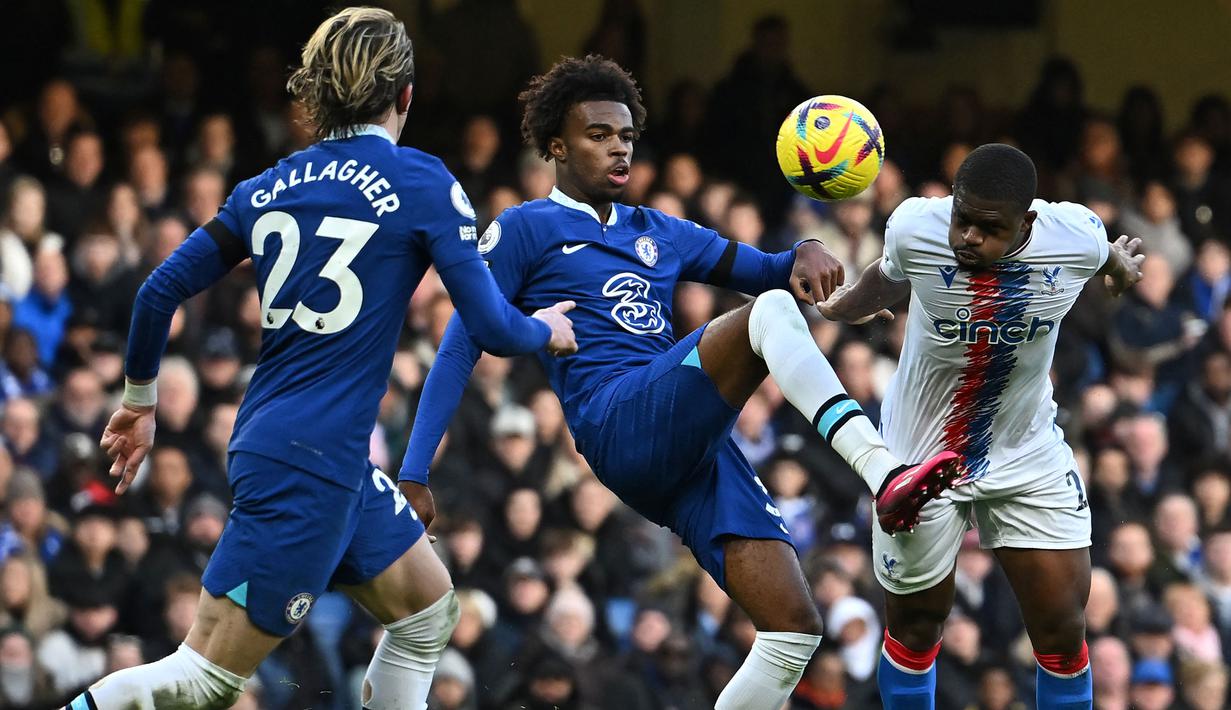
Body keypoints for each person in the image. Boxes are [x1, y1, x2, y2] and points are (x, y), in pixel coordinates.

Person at [401, 55, 959, 709]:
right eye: (597, 135)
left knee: (792, 630)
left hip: (687, 441)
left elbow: (771, 269)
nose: (618, 148)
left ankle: (879, 478)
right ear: (556, 145)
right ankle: (881, 471)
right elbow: (460, 345)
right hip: (618, 419)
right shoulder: (526, 228)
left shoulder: (657, 230)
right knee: (769, 317)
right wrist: (414, 472)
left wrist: (803, 251)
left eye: (626, 136)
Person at [68, 8, 576, 710]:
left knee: (427, 613)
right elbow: (489, 325)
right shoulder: (420, 181)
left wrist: (140, 399)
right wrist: (545, 330)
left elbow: (158, 291)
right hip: (309, 464)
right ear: (404, 95)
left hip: (301, 451)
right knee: (204, 679)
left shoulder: (269, 184)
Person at [820, 143, 1144, 709]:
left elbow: (1103, 254)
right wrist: (844, 306)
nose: (967, 237)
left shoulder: (1074, 236)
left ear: (1028, 222)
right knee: (917, 627)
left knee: (1063, 632)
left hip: (1027, 451)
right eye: (961, 219)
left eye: (987, 228)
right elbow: (890, 272)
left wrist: (1121, 266)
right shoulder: (914, 226)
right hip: (920, 458)